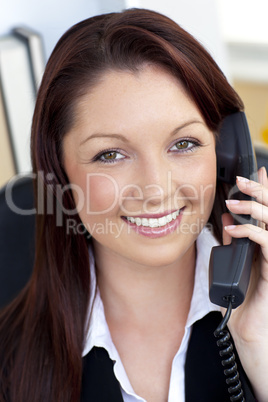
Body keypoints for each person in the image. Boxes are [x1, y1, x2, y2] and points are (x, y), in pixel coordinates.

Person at [0, 7, 267, 402]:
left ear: (227, 151)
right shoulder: (11, 351)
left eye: (184, 144)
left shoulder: (261, 315)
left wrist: (258, 349)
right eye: (111, 154)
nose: (156, 189)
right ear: (60, 171)